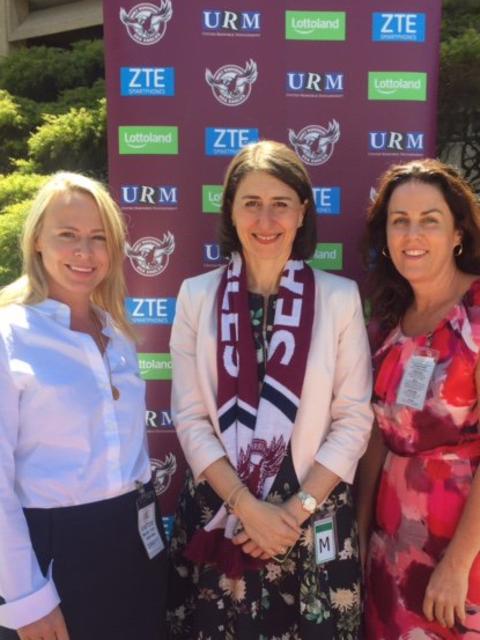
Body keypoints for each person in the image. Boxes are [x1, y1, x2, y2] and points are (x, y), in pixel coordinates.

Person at [167, 140, 373, 639]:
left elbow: (354, 419)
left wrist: (290, 513)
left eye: (280, 204)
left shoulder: (339, 298)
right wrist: (247, 507)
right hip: (224, 513)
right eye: (251, 203)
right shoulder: (197, 297)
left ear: (302, 213)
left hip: (308, 516)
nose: (266, 219)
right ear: (231, 212)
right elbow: (190, 417)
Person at [0, 172, 167, 640]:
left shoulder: (117, 333)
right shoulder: (8, 335)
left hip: (134, 544)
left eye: (98, 238)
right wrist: (24, 599)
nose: (84, 252)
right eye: (68, 235)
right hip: (52, 554)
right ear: (36, 240)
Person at [359, 158, 480, 638]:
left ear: (457, 234)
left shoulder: (475, 317)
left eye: (430, 220)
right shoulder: (388, 321)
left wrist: (458, 563)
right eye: (399, 221)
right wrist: (361, 533)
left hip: (461, 556)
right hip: (389, 552)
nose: (413, 234)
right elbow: (376, 439)